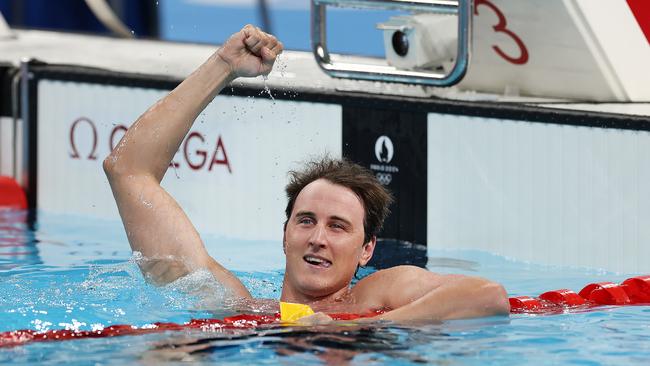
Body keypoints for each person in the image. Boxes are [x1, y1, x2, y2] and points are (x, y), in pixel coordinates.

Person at [103, 25, 509, 323]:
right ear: (285, 235)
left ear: (367, 249)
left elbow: (487, 296)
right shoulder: (234, 306)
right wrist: (223, 66)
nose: (317, 238)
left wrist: (355, 328)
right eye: (306, 221)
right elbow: (128, 171)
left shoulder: (376, 293)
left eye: (338, 227)